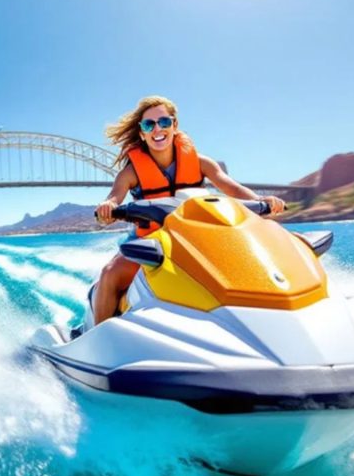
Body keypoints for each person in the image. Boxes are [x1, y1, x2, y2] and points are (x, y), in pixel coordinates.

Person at [92, 96, 285, 325]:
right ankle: (96, 338)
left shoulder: (202, 162)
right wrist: (109, 207)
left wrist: (261, 201)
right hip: (151, 241)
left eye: (164, 122)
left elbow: (231, 187)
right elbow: (114, 196)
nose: (157, 129)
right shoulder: (131, 173)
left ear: (174, 126)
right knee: (110, 274)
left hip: (198, 238)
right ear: (142, 133)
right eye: (149, 125)